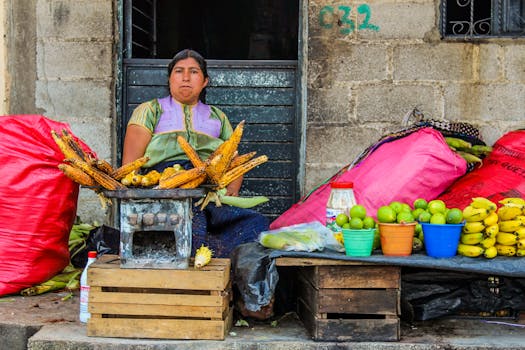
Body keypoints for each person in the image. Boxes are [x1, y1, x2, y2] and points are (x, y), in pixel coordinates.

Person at [122, 48, 273, 320]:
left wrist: (228, 193)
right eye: (178, 72)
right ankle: (187, 299)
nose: (185, 78)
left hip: (208, 192)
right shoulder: (150, 111)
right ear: (169, 79)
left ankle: (246, 298)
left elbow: (234, 163)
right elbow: (130, 166)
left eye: (194, 72)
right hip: (163, 192)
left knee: (255, 224)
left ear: (205, 81)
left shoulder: (218, 117)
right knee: (193, 220)